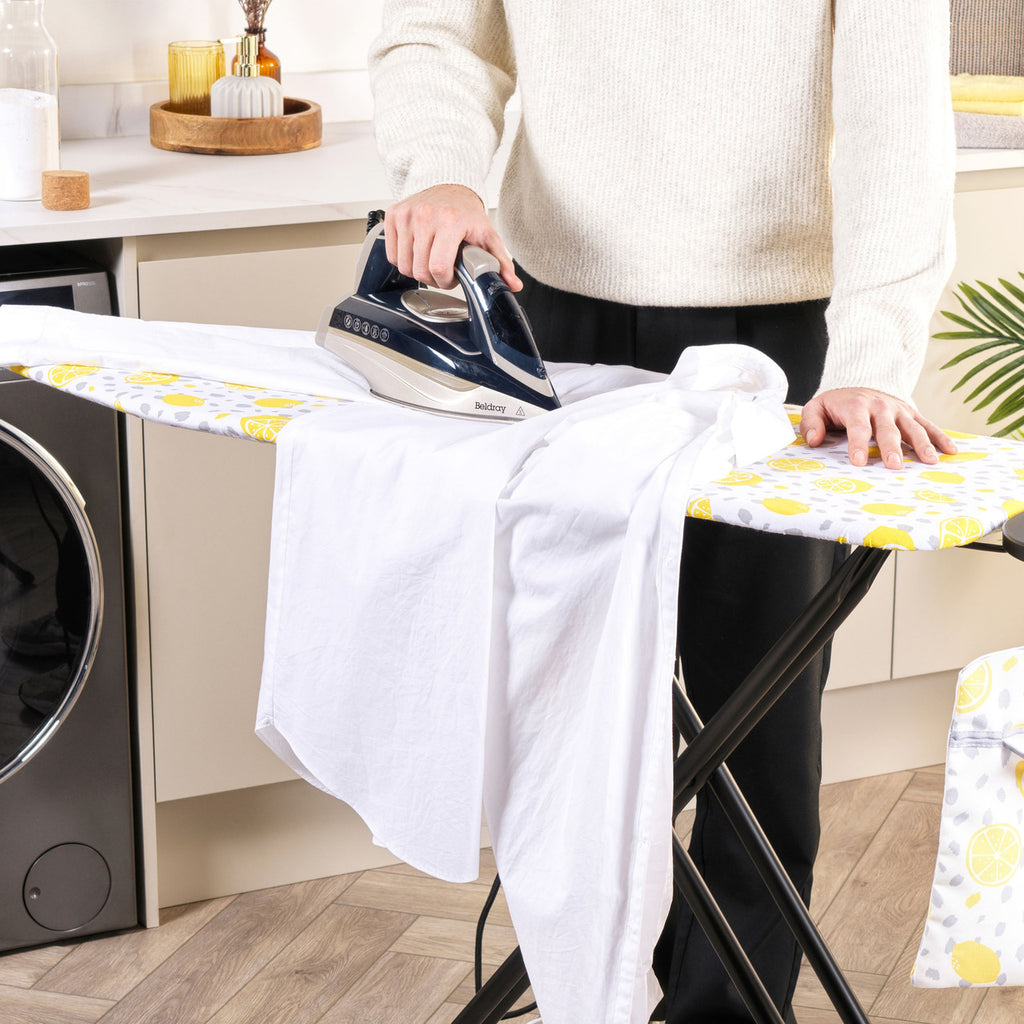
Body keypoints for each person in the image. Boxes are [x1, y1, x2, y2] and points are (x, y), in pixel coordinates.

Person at [368, 3, 957, 1021]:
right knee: (575, 713)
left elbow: (894, 113)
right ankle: (596, 994)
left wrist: (871, 357)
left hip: (780, 336)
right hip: (553, 308)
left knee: (755, 730)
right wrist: (443, 168)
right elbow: (435, 31)